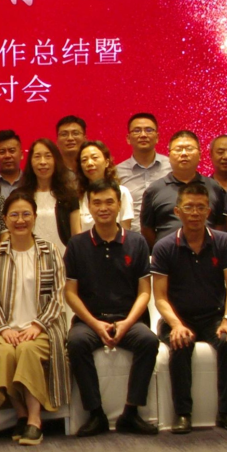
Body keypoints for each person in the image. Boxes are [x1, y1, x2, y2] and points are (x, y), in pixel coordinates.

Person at [0, 192, 68, 446]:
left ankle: (35, 420)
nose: (20, 220)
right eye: (14, 215)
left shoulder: (50, 252)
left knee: (27, 350)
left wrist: (38, 325)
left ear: (35, 217)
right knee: (2, 353)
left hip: (44, 327)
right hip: (4, 328)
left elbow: (58, 296)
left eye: (26, 214)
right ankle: (21, 413)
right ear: (5, 219)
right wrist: (4, 329)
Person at [65, 181, 159, 437]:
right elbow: (70, 293)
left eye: (109, 202)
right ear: (89, 207)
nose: (103, 208)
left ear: (119, 205)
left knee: (149, 341)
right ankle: (96, 414)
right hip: (90, 321)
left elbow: (145, 292)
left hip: (128, 320)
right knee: (76, 343)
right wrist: (95, 324)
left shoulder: (137, 242)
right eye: (96, 203)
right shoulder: (77, 244)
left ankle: (131, 412)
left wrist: (127, 323)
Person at [149, 182, 227, 434]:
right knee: (180, 343)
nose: (195, 213)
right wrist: (176, 325)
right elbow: (159, 297)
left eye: (201, 207)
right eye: (189, 207)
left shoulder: (223, 241)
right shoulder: (164, 246)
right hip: (177, 318)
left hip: (213, 316)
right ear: (177, 211)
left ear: (208, 211)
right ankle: (183, 414)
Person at [140, 130, 226, 246]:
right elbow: (147, 229)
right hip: (167, 253)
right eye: (178, 149)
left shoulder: (214, 187)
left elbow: (220, 225)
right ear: (169, 155)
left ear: (200, 155)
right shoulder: (154, 190)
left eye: (189, 149)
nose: (184, 153)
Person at [18, 138, 76, 252]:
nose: (43, 162)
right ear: (30, 162)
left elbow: (76, 234)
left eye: (48, 156)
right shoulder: (21, 196)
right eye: (37, 156)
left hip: (63, 256)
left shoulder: (69, 195)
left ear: (56, 160)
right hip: (29, 256)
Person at [116, 113, 169, 233]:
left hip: (167, 236)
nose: (143, 135)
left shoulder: (171, 168)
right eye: (137, 131)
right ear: (128, 138)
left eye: (149, 130)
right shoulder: (117, 173)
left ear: (157, 137)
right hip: (131, 237)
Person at [71, 140, 134, 234]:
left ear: (107, 162)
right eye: (84, 160)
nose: (89, 163)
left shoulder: (122, 192)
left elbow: (125, 232)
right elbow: (77, 236)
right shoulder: (77, 196)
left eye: (94, 158)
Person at [0, 130, 24, 196]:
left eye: (12, 151)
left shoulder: (31, 181)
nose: (7, 156)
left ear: (21, 154)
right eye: (2, 152)